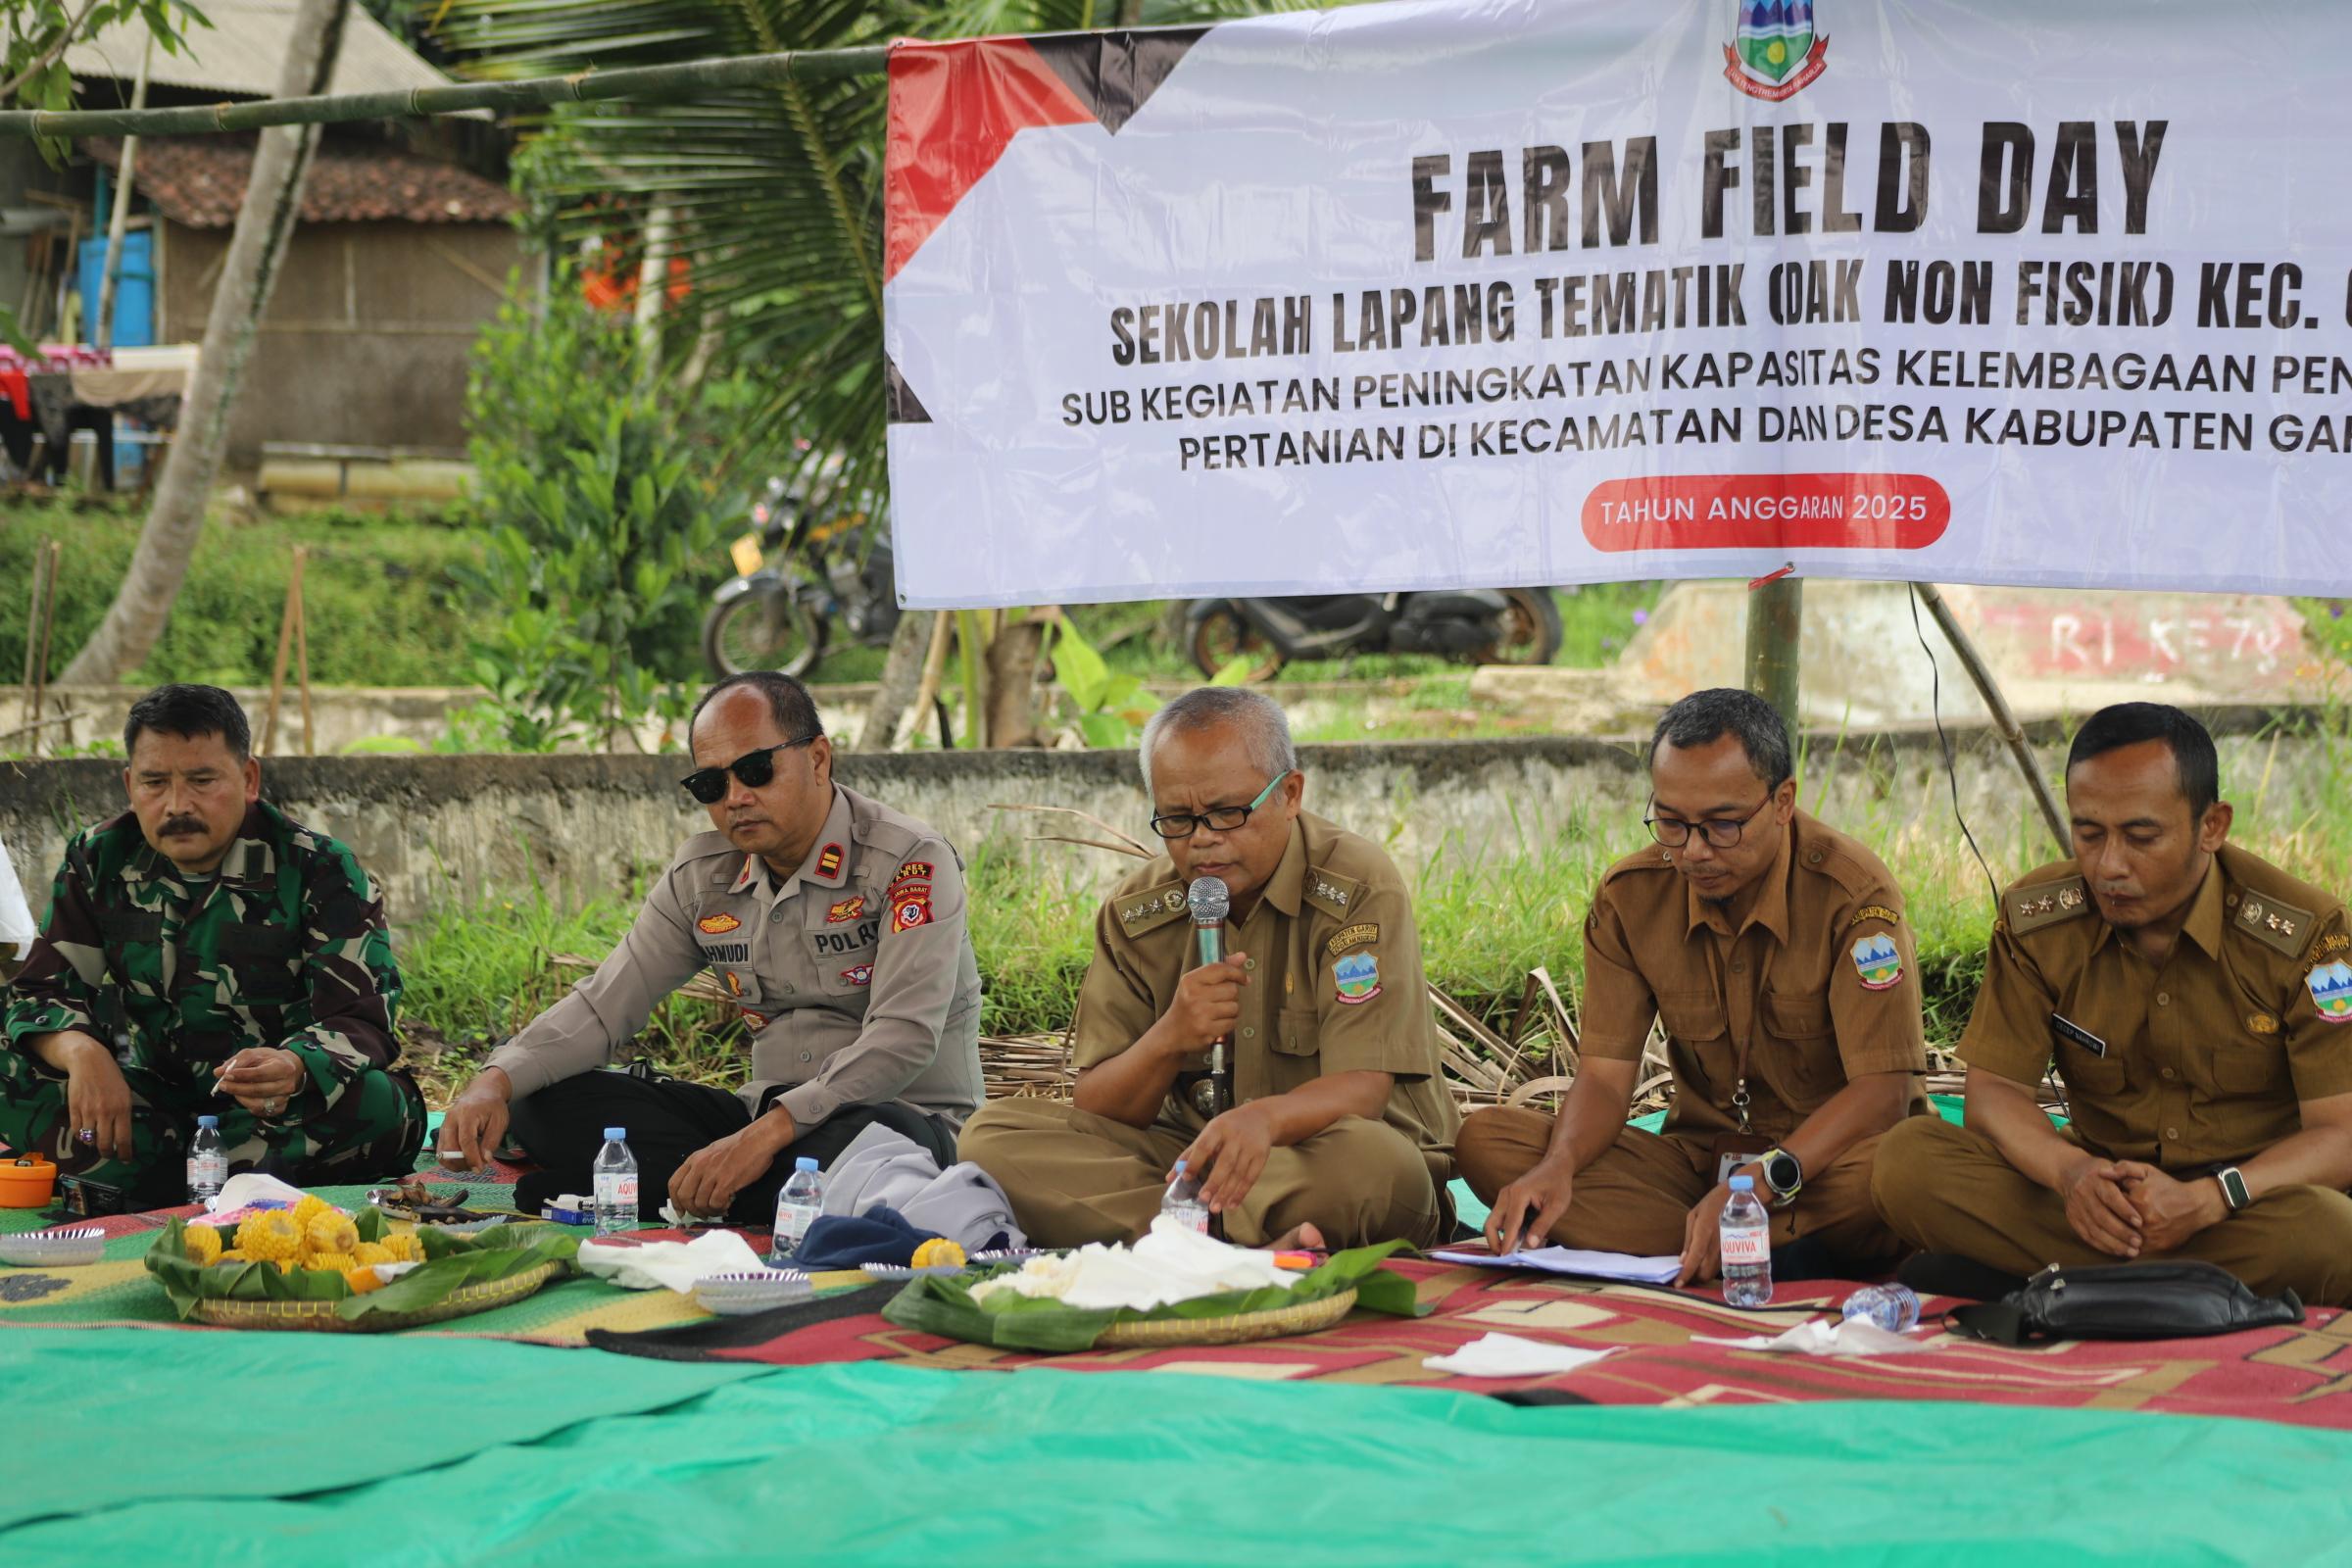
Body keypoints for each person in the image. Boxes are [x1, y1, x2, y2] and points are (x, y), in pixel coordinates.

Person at [437, 671, 984, 1222]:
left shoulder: (911, 862)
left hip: (893, 1123)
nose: (736, 798)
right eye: (710, 785)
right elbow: (605, 1005)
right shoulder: (703, 877)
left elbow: (903, 1037)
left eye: (755, 770)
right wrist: (493, 1081)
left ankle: (659, 1191)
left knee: (870, 1150)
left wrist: (767, 1135)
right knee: (539, 1098)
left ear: (818, 759)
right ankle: (734, 1195)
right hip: (758, 1120)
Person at [1872, 703, 2352, 1305]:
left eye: (2141, 836)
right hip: (2094, 1205)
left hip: (2243, 1208)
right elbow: (1992, 1099)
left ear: (2213, 826)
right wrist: (2070, 1176)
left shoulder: (2308, 935)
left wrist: (2208, 1199)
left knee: (2332, 1233)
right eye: (2089, 833)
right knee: (1907, 1162)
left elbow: (2339, 1134)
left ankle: (2068, 1284)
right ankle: (2184, 1290)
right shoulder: (2037, 920)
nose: (2109, 865)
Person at [957, 687, 1458, 1250]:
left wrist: (1263, 1122)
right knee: (991, 1137)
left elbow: (1363, 1090)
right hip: (1190, 1161)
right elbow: (1099, 1106)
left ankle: (1176, 1238)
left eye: (1226, 813)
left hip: (1322, 1157)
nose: (1202, 840)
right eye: (1177, 819)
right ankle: (1224, 1239)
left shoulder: (1356, 886)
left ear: (1289, 794)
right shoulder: (1136, 912)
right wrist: (1170, 1037)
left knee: (1377, 1168)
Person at [1456, 688, 1927, 1283]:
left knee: (1898, 1170)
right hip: (1697, 1169)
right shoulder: (1632, 897)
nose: (1694, 851)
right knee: (1489, 1141)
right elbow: (1603, 1077)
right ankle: (1751, 1246)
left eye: (1723, 825)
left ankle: (1730, 1241)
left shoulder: (1853, 896)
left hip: (1821, 1172)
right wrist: (1559, 1164)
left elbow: (1883, 1093)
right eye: (1672, 823)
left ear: (1783, 802)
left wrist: (1765, 1181)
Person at [0, 684, 423, 1204]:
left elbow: (362, 1020)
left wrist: (293, 1066)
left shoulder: (319, 869)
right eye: (155, 783)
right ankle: (204, 1175)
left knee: (379, 1108)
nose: (177, 805)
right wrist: (81, 1050)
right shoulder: (100, 858)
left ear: (248, 779)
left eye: (202, 780)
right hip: (156, 1103)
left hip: (275, 1111)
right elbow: (41, 989)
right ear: (130, 785)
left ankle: (146, 1180)